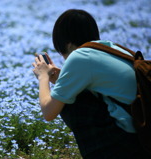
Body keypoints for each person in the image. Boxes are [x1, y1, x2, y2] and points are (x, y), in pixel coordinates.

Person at [32, 9, 150, 159]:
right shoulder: (111, 47)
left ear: (67, 45)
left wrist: (43, 77)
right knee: (71, 94)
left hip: (133, 141)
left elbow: (48, 112)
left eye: (62, 53)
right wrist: (62, 78)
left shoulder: (80, 57)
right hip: (145, 129)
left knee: (71, 104)